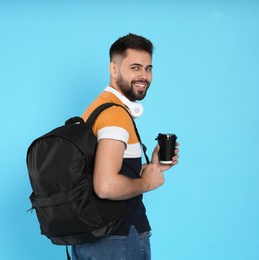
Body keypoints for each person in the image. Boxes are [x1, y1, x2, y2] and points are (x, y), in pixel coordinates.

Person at [72, 33, 179, 260]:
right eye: (135, 67)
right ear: (113, 69)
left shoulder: (98, 107)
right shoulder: (114, 115)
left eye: (148, 68)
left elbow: (103, 172)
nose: (144, 76)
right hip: (118, 239)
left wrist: (150, 168)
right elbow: (105, 186)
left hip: (92, 238)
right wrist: (147, 182)